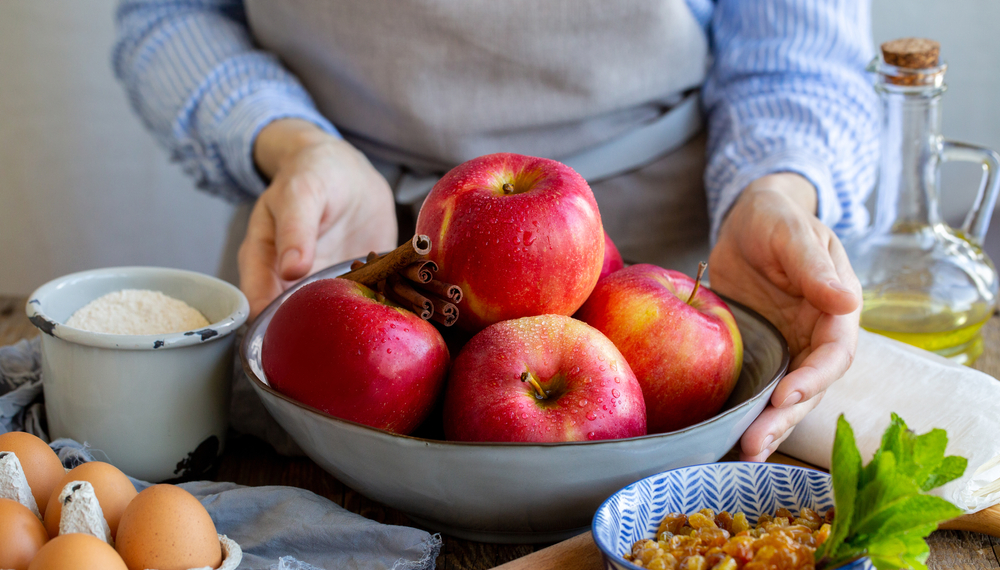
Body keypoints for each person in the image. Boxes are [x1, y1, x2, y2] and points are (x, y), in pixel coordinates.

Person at [113, 0, 878, 461]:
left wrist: (777, 188)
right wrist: (293, 144)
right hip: (338, 253)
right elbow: (169, 15)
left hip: (652, 272)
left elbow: (799, 54)